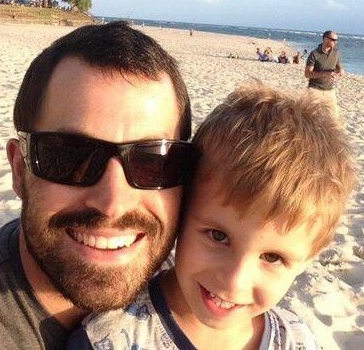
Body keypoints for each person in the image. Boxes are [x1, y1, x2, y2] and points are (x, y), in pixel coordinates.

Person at [0, 21, 197, 349]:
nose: (113, 203)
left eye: (152, 161)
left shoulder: (196, 279)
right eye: (69, 157)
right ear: (18, 168)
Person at [66, 83, 356, 350]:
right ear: (180, 212)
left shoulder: (297, 340)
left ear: (308, 259)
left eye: (272, 258)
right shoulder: (108, 338)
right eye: (219, 236)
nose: (234, 281)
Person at [305, 30, 344, 118]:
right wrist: (324, 74)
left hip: (329, 89)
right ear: (325, 39)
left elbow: (339, 67)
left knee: (334, 117)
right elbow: (307, 73)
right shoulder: (314, 54)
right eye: (333, 40)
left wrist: (340, 72)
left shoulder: (336, 52)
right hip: (315, 89)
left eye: (336, 40)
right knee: (311, 117)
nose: (335, 42)